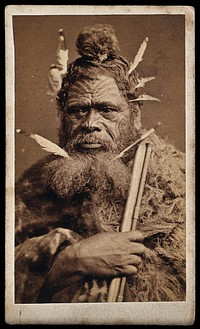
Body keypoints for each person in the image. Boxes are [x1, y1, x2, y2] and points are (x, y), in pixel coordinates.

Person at [15, 24, 186, 303]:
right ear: (63, 117)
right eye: (78, 111)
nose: (90, 124)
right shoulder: (34, 185)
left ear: (135, 114)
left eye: (106, 110)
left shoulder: (178, 184)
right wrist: (72, 260)